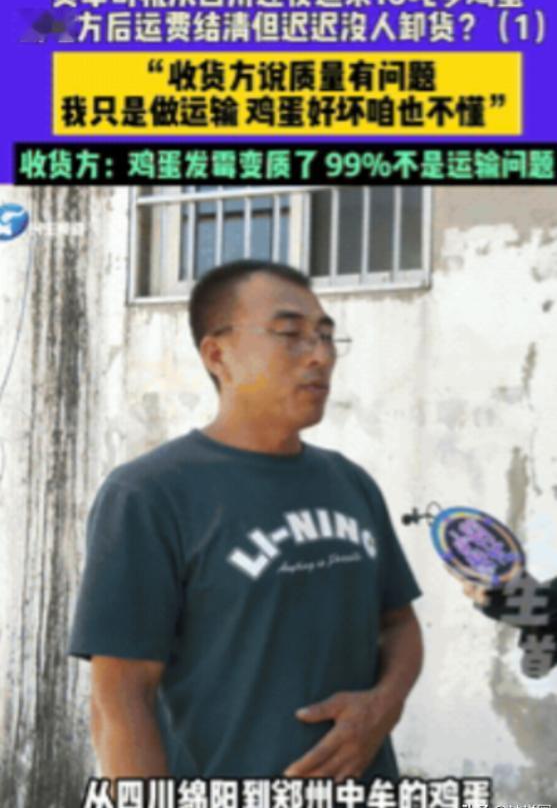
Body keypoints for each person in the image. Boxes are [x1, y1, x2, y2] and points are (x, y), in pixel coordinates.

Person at [68, 259, 423, 789]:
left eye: (326, 337)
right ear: (218, 355)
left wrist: (383, 706)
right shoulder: (149, 495)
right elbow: (119, 699)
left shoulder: (351, 483)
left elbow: (399, 624)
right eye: (290, 335)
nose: (321, 356)